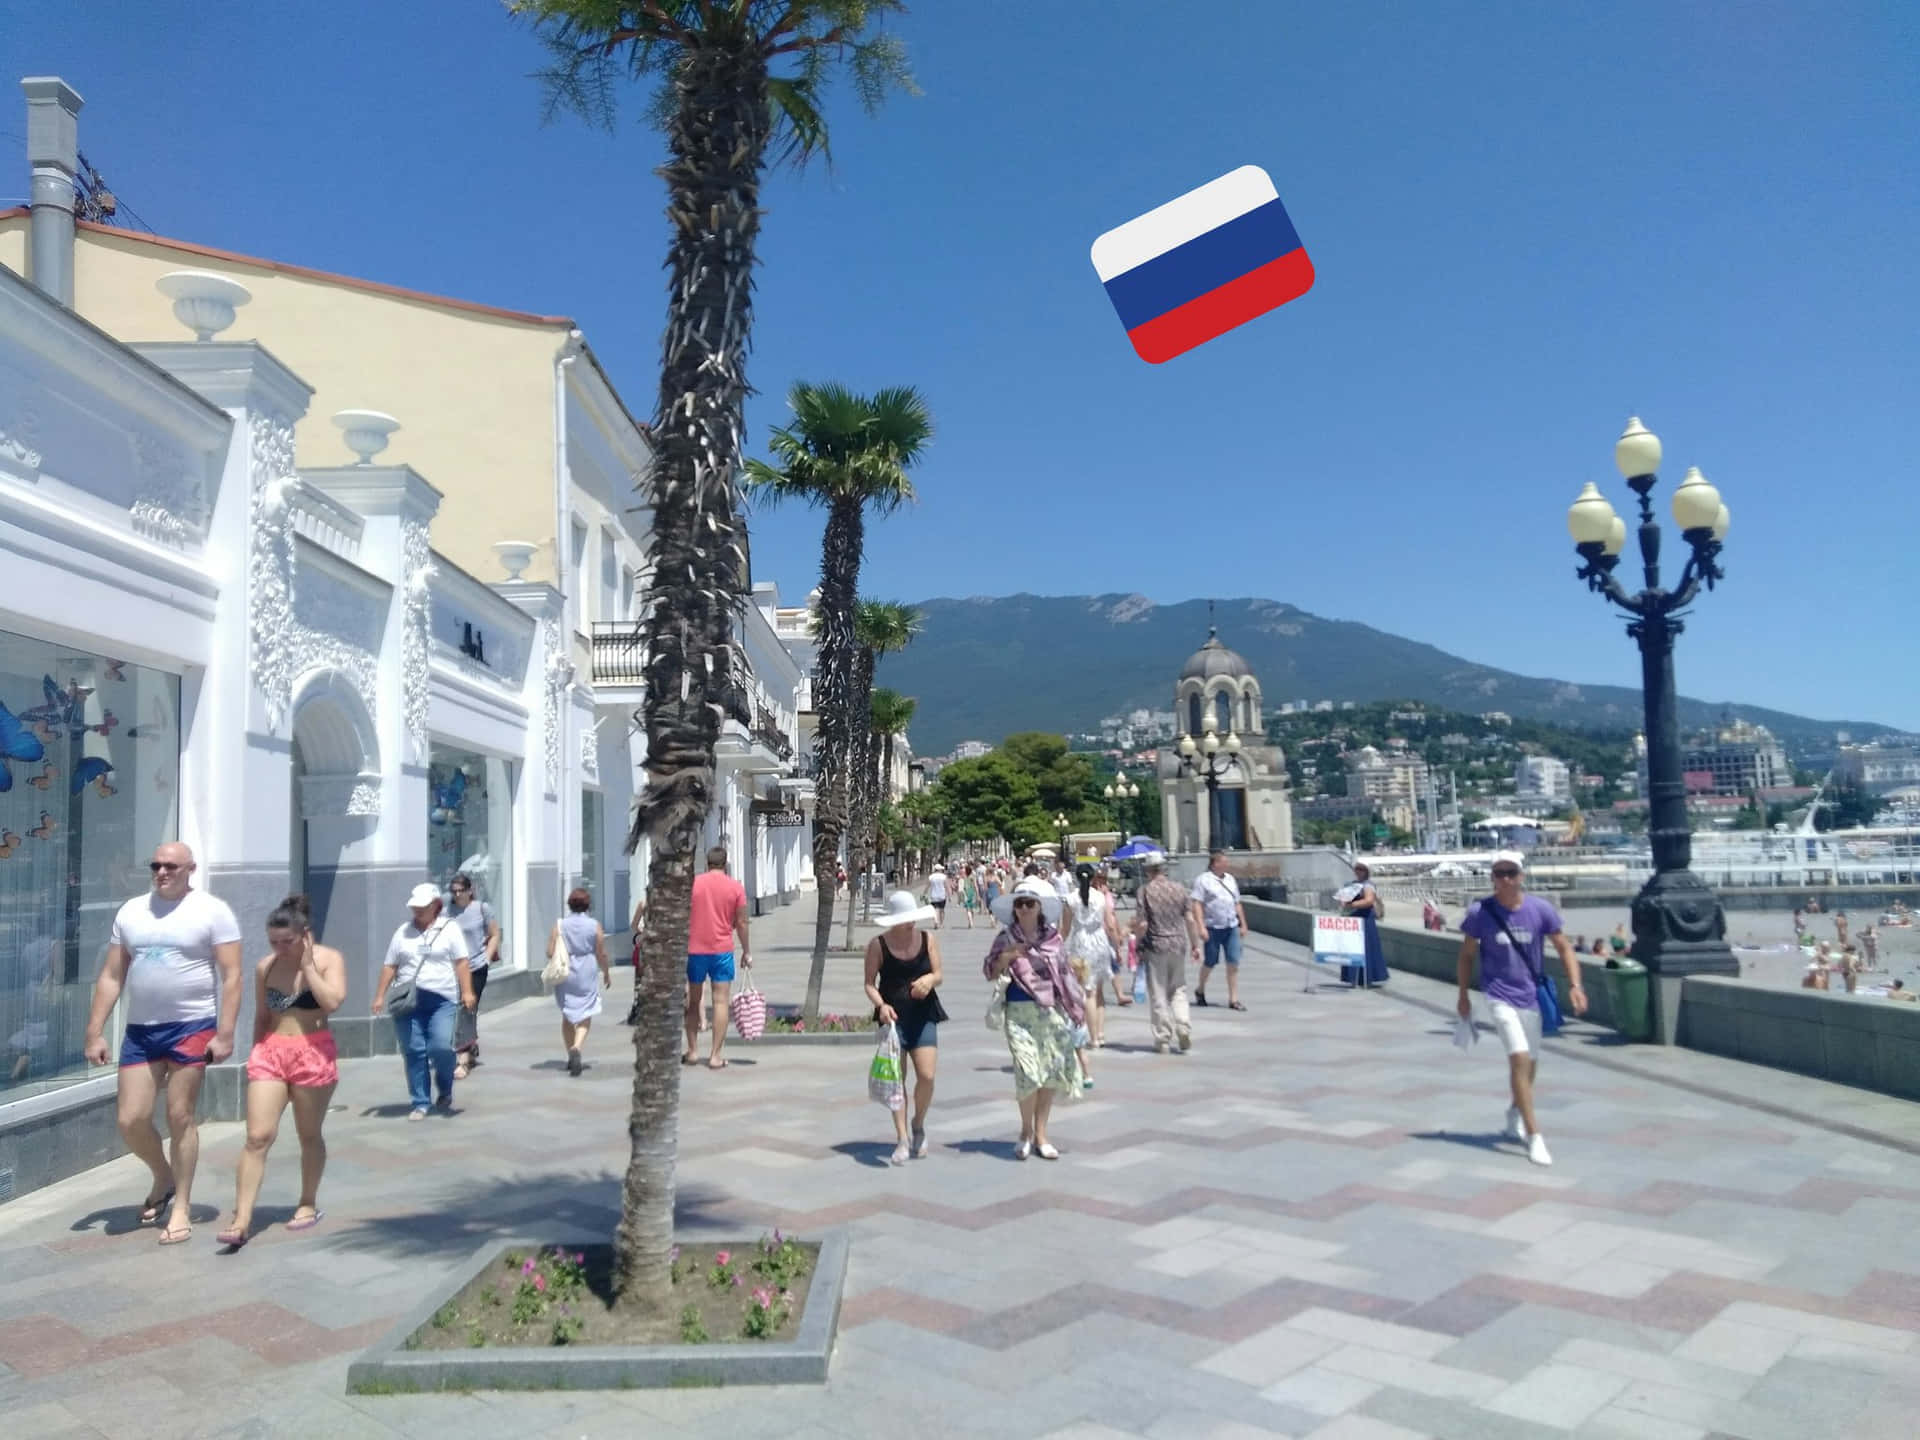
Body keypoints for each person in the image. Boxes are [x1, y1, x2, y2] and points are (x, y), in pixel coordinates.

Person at [83, 842, 243, 1244]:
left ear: (190, 868)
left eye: (171, 865)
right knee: (131, 1119)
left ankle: (183, 1206)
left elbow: (232, 976)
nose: (162, 871)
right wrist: (95, 1030)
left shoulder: (212, 911)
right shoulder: (132, 911)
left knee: (180, 1115)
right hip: (141, 1030)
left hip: (192, 1026)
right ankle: (163, 1175)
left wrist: (225, 1033)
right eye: (156, 865)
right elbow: (112, 976)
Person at [217, 895, 345, 1249]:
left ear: (305, 935)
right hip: (272, 1052)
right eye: (273, 942)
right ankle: (241, 1218)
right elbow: (262, 1015)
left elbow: (332, 1002)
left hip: (313, 1051)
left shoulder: (329, 960)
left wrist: (307, 967)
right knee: (257, 1136)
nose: (279, 949)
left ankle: (307, 1202)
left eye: (286, 942)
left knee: (308, 1134)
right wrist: (257, 1051)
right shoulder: (266, 967)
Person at [1455, 853, 1587, 1167]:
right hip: (1498, 994)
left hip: (1531, 996)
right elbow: (1466, 956)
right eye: (1498, 874)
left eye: (1510, 873)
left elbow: (1563, 946)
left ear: (1521, 876)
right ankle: (1534, 1135)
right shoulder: (1480, 913)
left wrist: (1576, 985)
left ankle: (1515, 1110)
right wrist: (1463, 995)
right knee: (1518, 1057)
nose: (1504, 879)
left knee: (1531, 1065)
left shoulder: (1539, 909)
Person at [985, 877, 1084, 1159]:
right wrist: (1005, 958)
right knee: (1027, 1072)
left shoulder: (1052, 938)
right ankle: (1025, 1130)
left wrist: (1075, 1006)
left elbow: (1063, 973)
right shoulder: (1006, 938)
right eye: (1019, 904)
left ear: (1039, 907)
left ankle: (1041, 1134)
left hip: (1050, 1012)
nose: (1024, 909)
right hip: (1018, 1012)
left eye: (1029, 903)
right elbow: (989, 971)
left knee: (1049, 1073)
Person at [372, 883, 476, 1121]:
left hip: (442, 999)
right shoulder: (403, 932)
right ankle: (421, 1101)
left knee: (440, 1046)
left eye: (423, 906)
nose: (417, 910)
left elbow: (461, 962)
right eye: (414, 907)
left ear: (436, 906)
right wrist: (379, 995)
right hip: (408, 1001)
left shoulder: (449, 928)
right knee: (413, 1050)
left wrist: (467, 991)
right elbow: (391, 964)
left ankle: (445, 1087)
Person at [863, 890, 946, 1164]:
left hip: (923, 1014)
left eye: (912, 919)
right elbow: (869, 984)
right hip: (893, 1019)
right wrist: (881, 1006)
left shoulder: (927, 939)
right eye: (903, 919)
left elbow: (938, 974)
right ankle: (901, 1139)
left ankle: (918, 1123)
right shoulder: (878, 945)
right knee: (897, 1081)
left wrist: (929, 981)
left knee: (927, 1076)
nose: (909, 924)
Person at [686, 845, 750, 1070]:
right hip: (722, 950)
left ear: (707, 863)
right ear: (725, 864)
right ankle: (715, 1056)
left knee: (693, 1000)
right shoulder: (735, 888)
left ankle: (693, 1051)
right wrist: (747, 950)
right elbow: (742, 922)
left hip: (694, 950)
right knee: (720, 1001)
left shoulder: (693, 884)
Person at [1133, 853, 1196, 1053]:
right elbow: (1190, 919)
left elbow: (1142, 923)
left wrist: (1138, 944)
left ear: (1148, 870)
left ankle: (1163, 1038)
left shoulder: (1145, 891)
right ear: (1164, 868)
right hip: (1178, 944)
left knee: (1158, 993)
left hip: (1156, 945)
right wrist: (1195, 944)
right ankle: (1183, 1025)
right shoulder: (1180, 889)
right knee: (1179, 989)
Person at [1062, 863, 1120, 1071]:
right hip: (1099, 942)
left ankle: (1092, 1036)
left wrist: (1059, 946)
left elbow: (1066, 928)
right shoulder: (1100, 897)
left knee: (1087, 992)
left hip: (1080, 943)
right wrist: (1117, 945)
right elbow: (1110, 924)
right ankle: (1100, 1034)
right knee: (1098, 990)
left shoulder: (1070, 899)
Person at [549, 887, 610, 1075]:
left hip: (567, 969)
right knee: (586, 1010)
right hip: (587, 968)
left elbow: (550, 951)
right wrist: (606, 972)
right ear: (587, 905)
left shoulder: (560, 925)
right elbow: (601, 952)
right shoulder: (594, 925)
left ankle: (570, 1054)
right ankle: (577, 1046)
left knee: (567, 1012)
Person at [447, 873, 499, 1081]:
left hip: (476, 967)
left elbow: (495, 933)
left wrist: (486, 957)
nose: (457, 894)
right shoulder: (446, 909)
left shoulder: (481, 909)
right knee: (461, 1009)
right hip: (453, 968)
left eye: (461, 890)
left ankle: (463, 1059)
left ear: (470, 890)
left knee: (467, 1008)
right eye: (454, 891)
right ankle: (470, 1043)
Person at [1189, 850, 1249, 1010]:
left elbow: (1237, 902)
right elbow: (1197, 904)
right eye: (1224, 862)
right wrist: (1201, 926)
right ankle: (1200, 989)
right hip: (1213, 927)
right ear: (1215, 864)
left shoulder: (1230, 879)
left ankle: (1233, 999)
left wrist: (1243, 923)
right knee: (1210, 962)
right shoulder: (1203, 880)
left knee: (1233, 962)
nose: (1227, 864)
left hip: (1231, 926)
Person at [1336, 862, 1390, 986]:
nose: (1358, 871)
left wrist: (1351, 904)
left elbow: (1369, 901)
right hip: (1353, 919)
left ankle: (1367, 976)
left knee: (1366, 947)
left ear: (1366, 872)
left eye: (1361, 870)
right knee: (1352, 948)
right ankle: (1354, 977)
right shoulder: (1352, 884)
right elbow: (1343, 900)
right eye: (1357, 869)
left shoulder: (1368, 885)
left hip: (1364, 919)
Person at [924, 864, 950, 928]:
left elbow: (927, 886)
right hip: (942, 896)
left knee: (935, 910)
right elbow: (946, 886)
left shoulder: (931, 877)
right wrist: (949, 896)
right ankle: (941, 924)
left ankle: (936, 921)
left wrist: (924, 893)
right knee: (942, 910)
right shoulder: (943, 876)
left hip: (934, 896)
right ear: (939, 870)